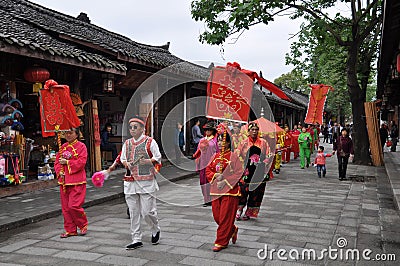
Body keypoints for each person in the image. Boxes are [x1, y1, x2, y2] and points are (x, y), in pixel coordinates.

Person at [120, 116, 162, 250]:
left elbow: (158, 157)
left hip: (146, 180)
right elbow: (122, 158)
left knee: (147, 211)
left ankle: (155, 228)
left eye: (135, 127)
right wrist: (126, 163)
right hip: (130, 180)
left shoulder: (150, 142)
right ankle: (136, 238)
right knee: (133, 211)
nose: (132, 129)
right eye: (130, 127)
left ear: (142, 128)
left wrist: (148, 161)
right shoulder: (127, 143)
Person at [206, 131, 243, 252]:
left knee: (225, 217)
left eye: (224, 141)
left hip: (230, 192)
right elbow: (208, 170)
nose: (222, 143)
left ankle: (221, 242)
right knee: (217, 217)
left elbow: (239, 173)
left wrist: (225, 181)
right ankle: (232, 229)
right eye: (220, 140)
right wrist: (215, 175)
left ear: (228, 143)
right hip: (216, 191)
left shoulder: (234, 156)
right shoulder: (215, 156)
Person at [54, 128, 88, 238]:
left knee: (74, 205)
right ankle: (70, 229)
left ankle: (82, 224)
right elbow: (57, 162)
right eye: (66, 133)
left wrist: (67, 162)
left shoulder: (82, 146)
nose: (68, 135)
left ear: (77, 134)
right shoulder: (62, 147)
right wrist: (60, 172)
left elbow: (82, 162)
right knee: (66, 208)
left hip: (77, 180)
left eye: (70, 133)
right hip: (64, 181)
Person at [235, 121, 271, 221]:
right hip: (246, 171)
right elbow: (237, 154)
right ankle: (239, 210)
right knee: (242, 191)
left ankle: (249, 211)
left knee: (256, 192)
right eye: (252, 130)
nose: (254, 132)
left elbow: (269, 155)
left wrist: (264, 161)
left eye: (256, 130)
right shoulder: (243, 142)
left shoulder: (263, 143)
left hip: (259, 171)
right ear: (248, 131)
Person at [193, 121, 218, 206]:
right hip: (203, 164)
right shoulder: (202, 140)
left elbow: (218, 152)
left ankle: (212, 198)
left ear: (213, 131)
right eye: (206, 130)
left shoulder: (215, 141)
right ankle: (206, 199)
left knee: (211, 181)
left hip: (212, 164)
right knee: (203, 182)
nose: (207, 131)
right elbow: (198, 152)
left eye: (209, 130)